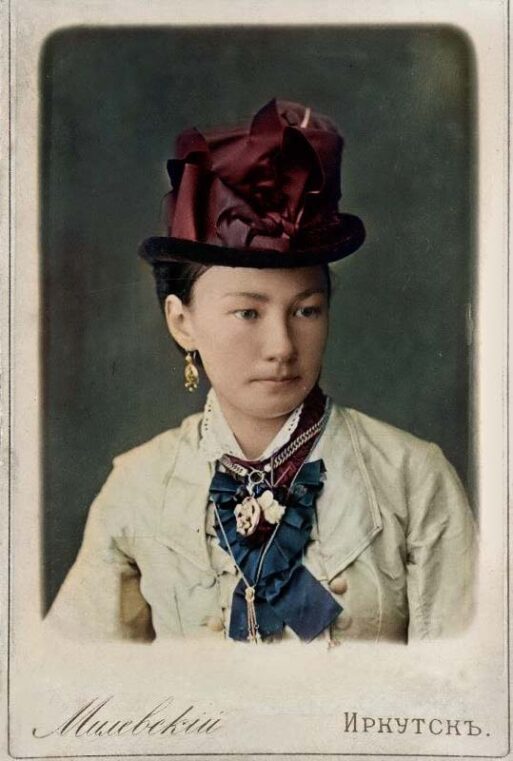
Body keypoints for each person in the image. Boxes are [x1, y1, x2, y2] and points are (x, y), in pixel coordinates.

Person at [46, 98, 476, 644]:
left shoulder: (411, 478)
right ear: (182, 322)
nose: (282, 346)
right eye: (247, 312)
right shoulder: (138, 486)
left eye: (306, 310)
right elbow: (79, 678)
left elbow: (460, 680)